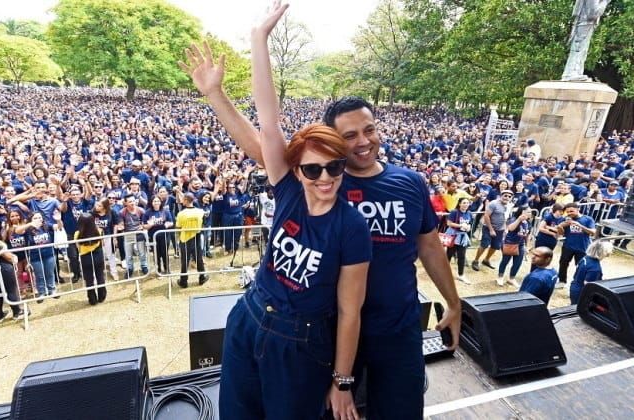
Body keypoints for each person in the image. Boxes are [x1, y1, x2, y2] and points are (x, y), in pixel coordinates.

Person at [180, 8, 461, 417]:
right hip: (305, 326)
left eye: (369, 130)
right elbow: (266, 129)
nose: (326, 175)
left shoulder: (397, 191)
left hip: (390, 325)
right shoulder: (297, 187)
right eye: (348, 137)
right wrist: (222, 86)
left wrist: (453, 302)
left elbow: (430, 246)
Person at [187, 4, 373, 418]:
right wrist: (258, 40)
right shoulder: (287, 190)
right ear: (297, 170)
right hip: (250, 317)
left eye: (334, 167)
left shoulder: (351, 227)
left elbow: (349, 312)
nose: (324, 178)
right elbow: (268, 124)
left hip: (301, 342)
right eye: (312, 169)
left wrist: (343, 381)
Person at [556, 203, 596, 289]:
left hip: (582, 247)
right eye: (567, 212)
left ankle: (578, 282)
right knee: (563, 264)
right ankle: (562, 281)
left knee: (581, 267)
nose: (569, 213)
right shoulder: (565, 219)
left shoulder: (588, 219)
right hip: (568, 246)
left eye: (571, 211)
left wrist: (579, 225)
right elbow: (561, 234)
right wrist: (560, 226)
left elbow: (593, 232)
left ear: (578, 209)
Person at [471, 189, 512, 271]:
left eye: (509, 196)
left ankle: (486, 260)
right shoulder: (493, 203)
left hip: (500, 230)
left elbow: (508, 218)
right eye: (505, 195)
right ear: (501, 196)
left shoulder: (510, 205)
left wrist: (505, 229)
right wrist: (491, 229)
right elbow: (486, 216)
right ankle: (475, 261)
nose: (507, 197)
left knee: (495, 246)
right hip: (488, 228)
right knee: (484, 245)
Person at [175, 193, 208, 288]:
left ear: (186, 200)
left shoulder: (181, 214)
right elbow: (204, 224)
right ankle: (202, 277)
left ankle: (183, 281)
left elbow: (178, 227)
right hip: (197, 236)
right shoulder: (200, 212)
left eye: (183, 199)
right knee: (199, 258)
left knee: (185, 260)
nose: (182, 201)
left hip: (185, 239)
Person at [74, 213, 106, 305]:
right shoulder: (99, 231)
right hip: (98, 255)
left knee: (89, 279)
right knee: (100, 276)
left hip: (85, 257)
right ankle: (102, 296)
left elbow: (78, 247)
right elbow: (102, 243)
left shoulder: (77, 234)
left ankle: (92, 299)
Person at [497, 206, 532, 287]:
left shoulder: (528, 222)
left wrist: (527, 246)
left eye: (530, 212)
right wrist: (519, 219)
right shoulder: (514, 219)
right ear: (522, 212)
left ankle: (511, 278)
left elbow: (527, 235)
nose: (530, 214)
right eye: (528, 212)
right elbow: (510, 228)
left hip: (521, 244)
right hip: (510, 243)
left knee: (518, 262)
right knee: (505, 261)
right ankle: (500, 276)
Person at [143, 196, 174, 275]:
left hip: (164, 236)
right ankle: (158, 270)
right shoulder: (147, 212)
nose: (156, 203)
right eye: (154, 201)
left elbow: (171, 222)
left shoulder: (165, 211)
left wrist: (168, 224)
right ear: (151, 202)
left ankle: (167, 269)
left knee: (164, 253)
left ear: (160, 202)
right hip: (153, 236)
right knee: (156, 254)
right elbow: (144, 226)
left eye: (158, 201)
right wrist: (150, 225)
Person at [445, 198, 473, 284]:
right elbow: (449, 223)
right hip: (453, 236)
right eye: (464, 203)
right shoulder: (454, 212)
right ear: (459, 204)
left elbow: (470, 223)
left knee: (462, 256)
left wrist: (468, 227)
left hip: (462, 237)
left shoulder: (469, 213)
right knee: (449, 254)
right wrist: (460, 225)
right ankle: (444, 272)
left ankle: (461, 275)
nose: (466, 204)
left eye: (467, 203)